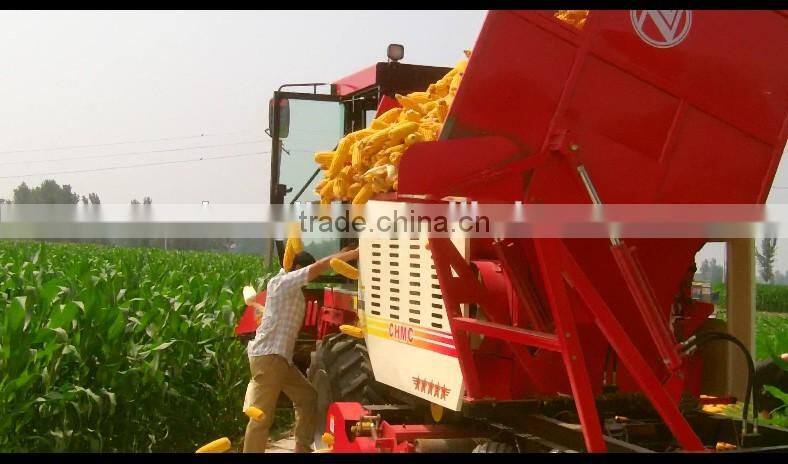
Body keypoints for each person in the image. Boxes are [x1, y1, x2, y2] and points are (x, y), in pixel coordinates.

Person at [243, 246, 359, 453]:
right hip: (269, 359)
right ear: (297, 268)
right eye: (306, 272)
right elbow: (322, 266)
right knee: (261, 417)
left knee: (308, 398)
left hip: (281, 359)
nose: (310, 280)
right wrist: (353, 254)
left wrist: (341, 253)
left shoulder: (286, 289)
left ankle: (302, 448)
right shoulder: (283, 282)